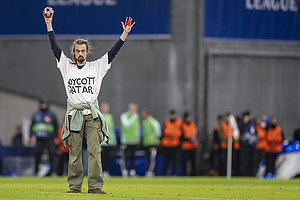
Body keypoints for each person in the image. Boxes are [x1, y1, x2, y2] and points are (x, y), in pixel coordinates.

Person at [43, 8, 135, 193]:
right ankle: (75, 187)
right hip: (74, 114)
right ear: (74, 52)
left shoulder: (96, 67)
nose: (80, 53)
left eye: (83, 50)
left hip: (91, 114)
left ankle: (95, 187)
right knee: (74, 153)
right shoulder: (66, 66)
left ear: (87, 52)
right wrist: (49, 24)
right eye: (77, 51)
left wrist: (124, 33)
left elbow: (113, 53)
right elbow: (54, 47)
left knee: (95, 152)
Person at [29, 98, 58, 176]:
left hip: (49, 138)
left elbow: (55, 126)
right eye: (42, 104)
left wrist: (56, 137)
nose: (43, 105)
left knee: (52, 155)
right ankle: (35, 172)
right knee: (37, 155)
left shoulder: (51, 114)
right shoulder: (36, 114)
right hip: (39, 138)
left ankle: (53, 172)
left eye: (45, 104)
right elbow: (32, 125)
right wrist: (30, 136)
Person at [120, 103, 141, 177]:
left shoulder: (136, 116)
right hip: (126, 140)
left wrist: (138, 138)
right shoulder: (124, 116)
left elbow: (137, 127)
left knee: (133, 156)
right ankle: (124, 171)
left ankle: (132, 171)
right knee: (125, 156)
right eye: (133, 109)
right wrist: (133, 116)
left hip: (134, 140)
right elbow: (126, 124)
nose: (134, 111)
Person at [161, 110, 182, 176]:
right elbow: (164, 132)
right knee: (165, 161)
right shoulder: (166, 122)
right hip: (166, 144)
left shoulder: (179, 122)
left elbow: (180, 133)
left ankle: (174, 173)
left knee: (175, 161)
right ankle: (164, 174)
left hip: (175, 144)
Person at [141, 109, 161, 177]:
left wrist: (156, 141)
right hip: (146, 143)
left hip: (153, 143)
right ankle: (149, 171)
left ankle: (150, 171)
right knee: (147, 158)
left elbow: (158, 132)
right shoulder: (144, 122)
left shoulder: (154, 122)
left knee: (152, 158)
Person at [238, 111, 257, 176]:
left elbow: (254, 134)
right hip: (244, 146)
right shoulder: (242, 124)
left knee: (251, 161)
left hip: (251, 146)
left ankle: (251, 175)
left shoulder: (252, 124)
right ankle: (243, 174)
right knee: (244, 161)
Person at [100, 102, 117, 177]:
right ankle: (99, 172)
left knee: (107, 157)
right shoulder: (99, 116)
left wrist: (113, 140)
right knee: (99, 158)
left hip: (108, 141)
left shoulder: (110, 116)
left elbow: (111, 129)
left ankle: (106, 171)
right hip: (101, 141)